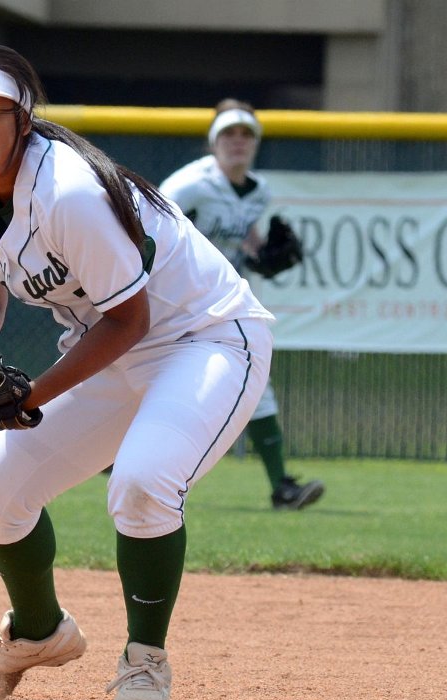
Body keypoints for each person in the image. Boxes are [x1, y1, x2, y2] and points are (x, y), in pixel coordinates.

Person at [0, 44, 274, 700]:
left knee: (142, 482)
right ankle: (38, 631)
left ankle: (145, 659)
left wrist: (27, 399)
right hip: (108, 347)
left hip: (206, 339)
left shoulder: (68, 191)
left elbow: (131, 319)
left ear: (23, 118)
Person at [159, 100, 325, 512]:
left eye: (246, 135)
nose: (238, 142)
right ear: (213, 142)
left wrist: (263, 254)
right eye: (229, 134)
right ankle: (116, 455)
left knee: (254, 377)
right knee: (146, 378)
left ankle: (283, 487)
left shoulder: (258, 192)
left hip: (221, 304)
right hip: (174, 302)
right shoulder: (192, 184)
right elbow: (149, 224)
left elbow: (246, 240)